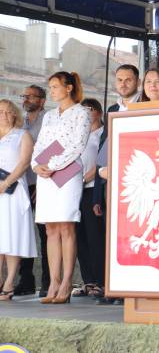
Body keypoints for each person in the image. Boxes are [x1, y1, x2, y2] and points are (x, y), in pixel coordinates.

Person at [32, 71, 91, 304]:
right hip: (46, 175)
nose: (52, 90)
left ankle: (67, 282)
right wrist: (37, 165)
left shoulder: (82, 113)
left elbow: (78, 145)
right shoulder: (48, 116)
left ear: (68, 88)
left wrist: (53, 165)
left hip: (67, 173)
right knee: (50, 228)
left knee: (66, 226)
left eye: (56, 86)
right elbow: (39, 144)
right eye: (50, 87)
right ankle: (53, 282)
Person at [93, 64, 140, 305]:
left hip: (137, 180)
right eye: (119, 80)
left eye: (128, 80)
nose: (123, 84)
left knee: (134, 235)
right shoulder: (113, 109)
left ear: (137, 82)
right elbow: (104, 149)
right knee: (114, 237)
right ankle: (115, 286)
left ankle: (132, 287)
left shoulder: (145, 105)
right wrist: (98, 192)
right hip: (112, 181)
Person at [0, 99, 37, 300]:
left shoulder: (22, 135)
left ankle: (9, 282)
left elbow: (24, 163)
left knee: (12, 236)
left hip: (13, 191)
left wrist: (5, 184)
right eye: (0, 111)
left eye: (8, 112)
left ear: (14, 114)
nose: (4, 115)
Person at [14, 85, 49, 297]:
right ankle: (26, 280)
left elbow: (53, 147)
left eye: (30, 96)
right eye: (23, 95)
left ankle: (48, 282)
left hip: (42, 181)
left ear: (42, 100)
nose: (25, 99)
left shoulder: (49, 119)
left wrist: (40, 182)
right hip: (20, 184)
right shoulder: (19, 121)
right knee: (22, 232)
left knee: (45, 234)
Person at [73, 98, 105, 299]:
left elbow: (102, 161)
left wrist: (86, 177)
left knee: (95, 236)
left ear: (99, 112)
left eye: (90, 109)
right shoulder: (77, 134)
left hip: (92, 188)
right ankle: (88, 280)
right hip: (74, 190)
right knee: (79, 236)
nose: (86, 113)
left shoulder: (103, 133)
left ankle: (101, 281)